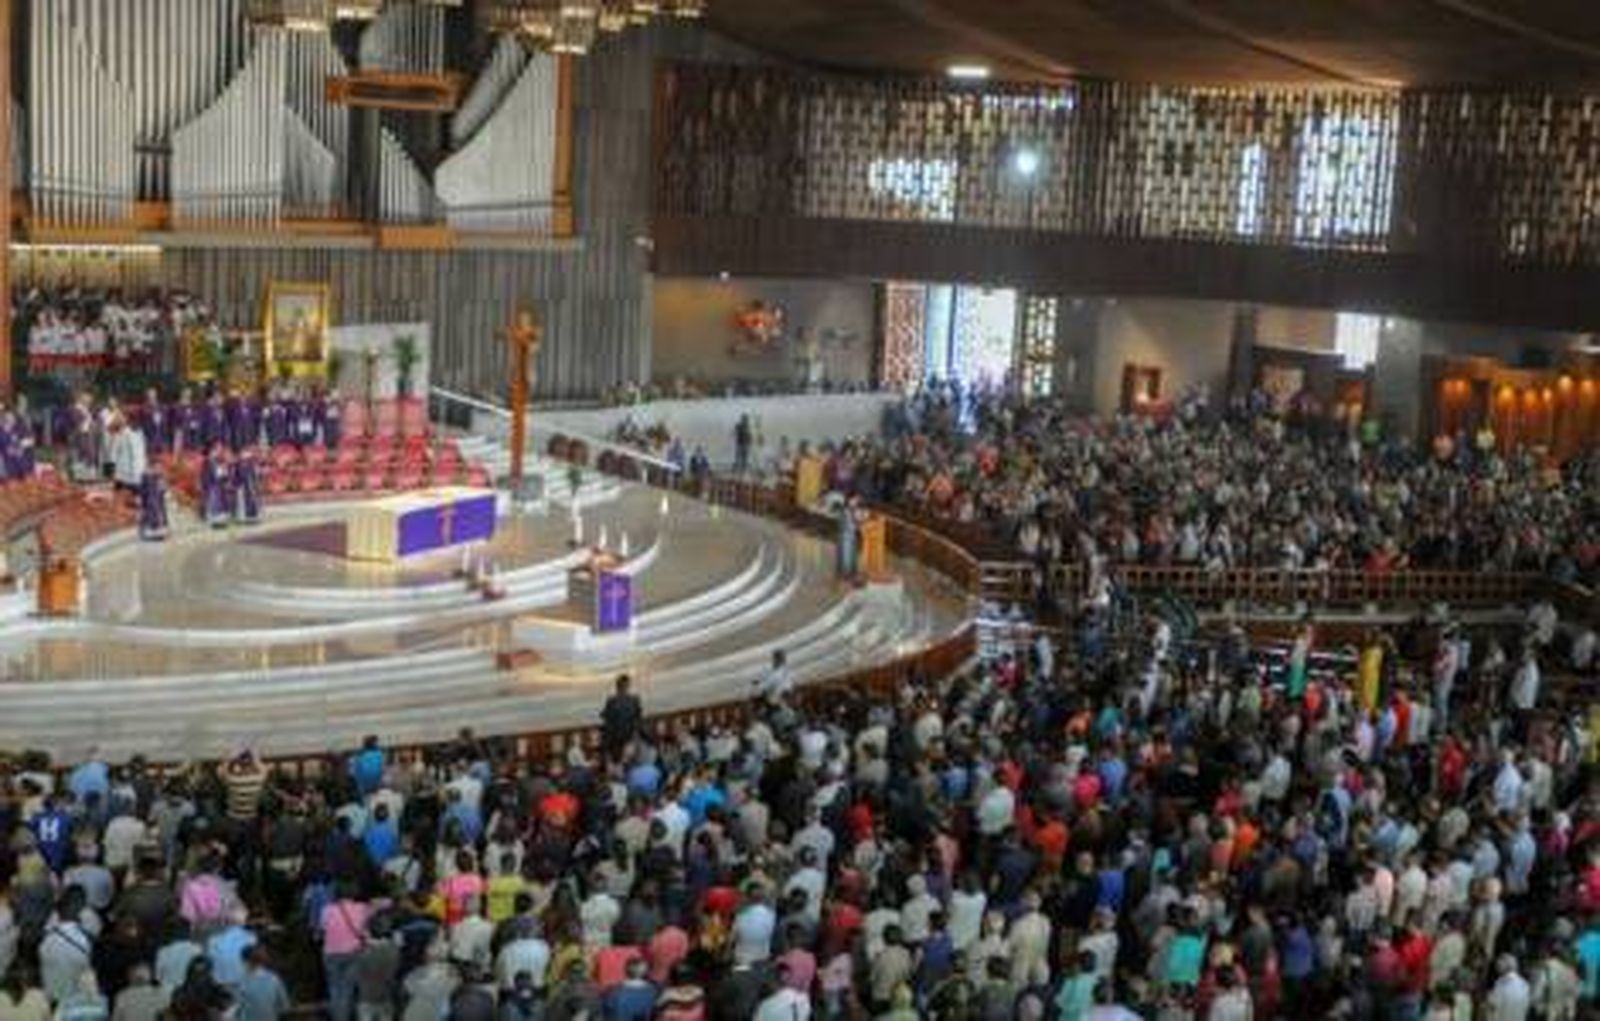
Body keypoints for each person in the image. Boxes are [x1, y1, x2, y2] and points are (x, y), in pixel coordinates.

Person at [600, 675, 643, 761]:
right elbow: (638, 717)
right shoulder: (634, 699)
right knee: (630, 760)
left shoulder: (612, 701)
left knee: (619, 761)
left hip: (617, 738)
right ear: (628, 686)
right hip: (629, 737)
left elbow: (606, 718)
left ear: (617, 686)